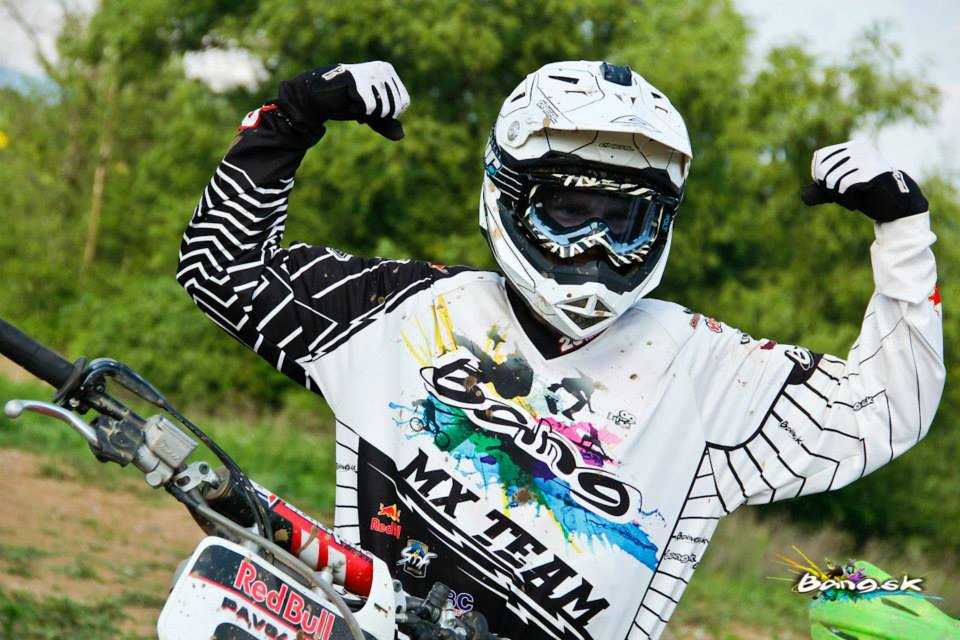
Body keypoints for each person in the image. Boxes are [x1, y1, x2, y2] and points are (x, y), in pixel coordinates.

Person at [177, 60, 944, 640]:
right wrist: (288, 118)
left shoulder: (709, 370)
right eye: (570, 211)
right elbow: (221, 269)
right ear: (508, 195)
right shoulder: (407, 310)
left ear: (660, 225)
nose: (596, 246)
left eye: (624, 220)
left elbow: (885, 409)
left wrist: (903, 233)